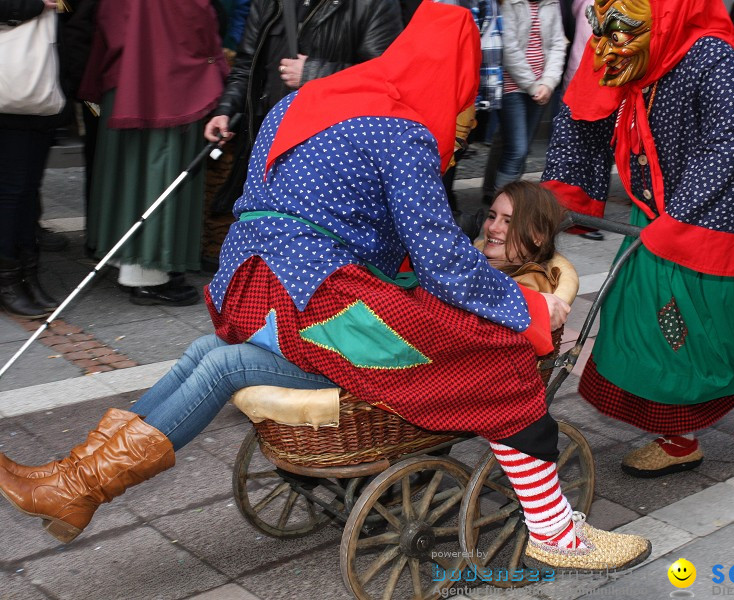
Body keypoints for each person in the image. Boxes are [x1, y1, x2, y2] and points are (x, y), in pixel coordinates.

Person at [0, 3, 652, 573]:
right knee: (497, 357)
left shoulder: (299, 103)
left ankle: (75, 481)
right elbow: (440, 261)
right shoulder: (402, 132)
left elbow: (315, 212)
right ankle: (556, 534)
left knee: (215, 360)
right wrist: (528, 306)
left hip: (248, 283)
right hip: (319, 298)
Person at [542, 0, 734, 477]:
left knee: (730, 311)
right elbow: (583, 112)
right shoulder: (622, 37)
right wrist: (555, 199)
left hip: (724, 207)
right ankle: (678, 438)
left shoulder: (714, 54)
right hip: (654, 205)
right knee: (649, 319)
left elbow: (731, 142)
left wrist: (682, 214)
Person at [199, 0, 403, 269]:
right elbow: (248, 64)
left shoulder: (373, 4)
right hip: (269, 142)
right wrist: (226, 110)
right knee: (266, 233)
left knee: (314, 242)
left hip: (329, 149)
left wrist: (314, 72)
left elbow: (387, 77)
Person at [79, 0, 227, 305]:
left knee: (128, 173)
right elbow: (193, 17)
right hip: (167, 79)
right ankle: (149, 275)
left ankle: (125, 260)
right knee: (159, 173)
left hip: (126, 75)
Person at [0, 0, 68, 319]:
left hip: (41, 90)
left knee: (28, 191)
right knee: (11, 192)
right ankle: (8, 281)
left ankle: (28, 274)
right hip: (11, 93)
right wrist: (37, 5)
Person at [492, 0, 567, 191]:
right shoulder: (510, 3)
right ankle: (502, 203)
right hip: (513, 86)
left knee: (517, 149)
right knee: (518, 149)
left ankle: (499, 195)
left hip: (541, 87)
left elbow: (558, 43)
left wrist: (548, 83)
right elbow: (509, 49)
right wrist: (533, 86)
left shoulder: (551, 3)